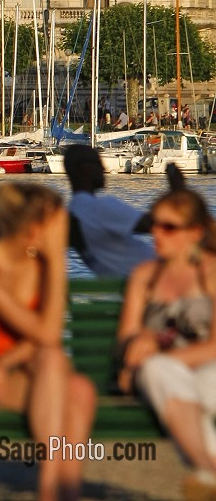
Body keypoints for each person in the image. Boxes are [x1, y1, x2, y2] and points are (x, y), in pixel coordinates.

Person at [0, 181, 96, 501]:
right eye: (55, 224)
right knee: (66, 377)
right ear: (33, 229)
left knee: (79, 387)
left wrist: (6, 362)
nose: (61, 231)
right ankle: (49, 490)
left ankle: (65, 493)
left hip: (18, 369)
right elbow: (47, 334)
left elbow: (44, 337)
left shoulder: (38, 265)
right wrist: (58, 258)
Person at [116, 187, 216, 500]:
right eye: (154, 225)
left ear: (195, 233)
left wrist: (164, 355)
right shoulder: (145, 276)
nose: (157, 233)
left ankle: (207, 476)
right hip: (155, 373)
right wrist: (140, 338)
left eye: (169, 227)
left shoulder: (211, 273)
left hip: (203, 368)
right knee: (157, 370)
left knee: (204, 376)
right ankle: (207, 468)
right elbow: (126, 339)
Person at [62, 144, 155, 277]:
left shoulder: (75, 211)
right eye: (99, 163)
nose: (104, 169)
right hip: (160, 278)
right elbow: (155, 225)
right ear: (85, 168)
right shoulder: (98, 208)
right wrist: (178, 190)